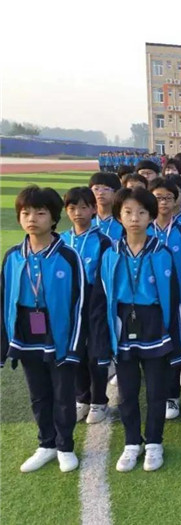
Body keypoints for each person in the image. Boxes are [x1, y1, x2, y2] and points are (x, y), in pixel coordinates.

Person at [90, 187, 181, 472]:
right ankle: (132, 442)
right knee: (127, 392)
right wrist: (102, 340)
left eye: (142, 212)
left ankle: (154, 442)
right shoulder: (110, 254)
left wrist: (177, 341)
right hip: (123, 325)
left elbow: (173, 299)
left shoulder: (162, 252)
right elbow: (100, 300)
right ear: (118, 216)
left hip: (154, 324)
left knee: (156, 390)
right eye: (128, 212)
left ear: (151, 216)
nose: (135, 218)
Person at [1, 186, 86, 473]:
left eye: (40, 213)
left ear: (53, 218)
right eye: (25, 213)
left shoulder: (69, 257)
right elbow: (4, 300)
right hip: (26, 331)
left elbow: (79, 304)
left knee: (63, 394)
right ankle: (46, 444)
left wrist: (74, 345)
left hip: (58, 332)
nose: (31, 219)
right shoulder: (13, 256)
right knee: (38, 393)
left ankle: (65, 446)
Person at [60, 187, 113, 424]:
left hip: (95, 300)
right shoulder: (61, 240)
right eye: (72, 208)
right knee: (75, 352)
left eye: (83, 207)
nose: (78, 213)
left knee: (96, 354)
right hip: (68, 302)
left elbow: (105, 276)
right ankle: (82, 397)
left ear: (93, 209)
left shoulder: (103, 240)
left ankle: (99, 401)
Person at [147, 178, 181, 420]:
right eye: (158, 198)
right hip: (148, 302)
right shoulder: (142, 230)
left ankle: (172, 397)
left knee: (174, 348)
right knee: (152, 350)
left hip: (176, 301)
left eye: (168, 197)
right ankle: (156, 395)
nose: (164, 202)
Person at [89, 172, 124, 241]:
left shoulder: (123, 220)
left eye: (106, 189)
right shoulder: (86, 220)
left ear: (116, 192)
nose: (100, 193)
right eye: (96, 189)